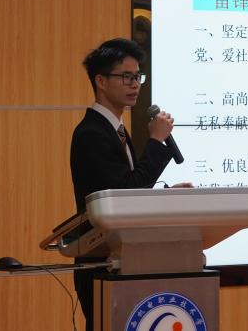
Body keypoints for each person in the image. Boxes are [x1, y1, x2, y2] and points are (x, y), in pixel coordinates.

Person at [70, 38, 177, 331]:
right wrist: (156, 141)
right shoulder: (92, 133)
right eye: (126, 77)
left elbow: (128, 189)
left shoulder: (115, 129)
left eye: (137, 77)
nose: (134, 85)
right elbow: (125, 195)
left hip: (121, 258)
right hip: (101, 261)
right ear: (101, 81)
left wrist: (168, 196)